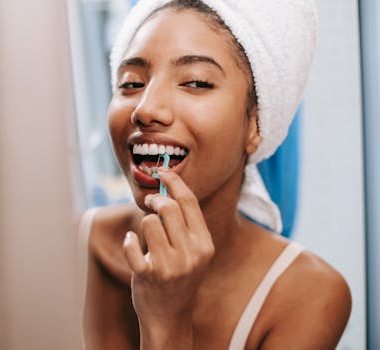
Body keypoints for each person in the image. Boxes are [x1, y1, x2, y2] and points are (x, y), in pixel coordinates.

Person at [80, 0, 351, 348]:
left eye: (195, 82)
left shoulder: (310, 295)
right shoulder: (70, 248)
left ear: (256, 122)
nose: (145, 109)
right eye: (131, 83)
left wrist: (167, 320)